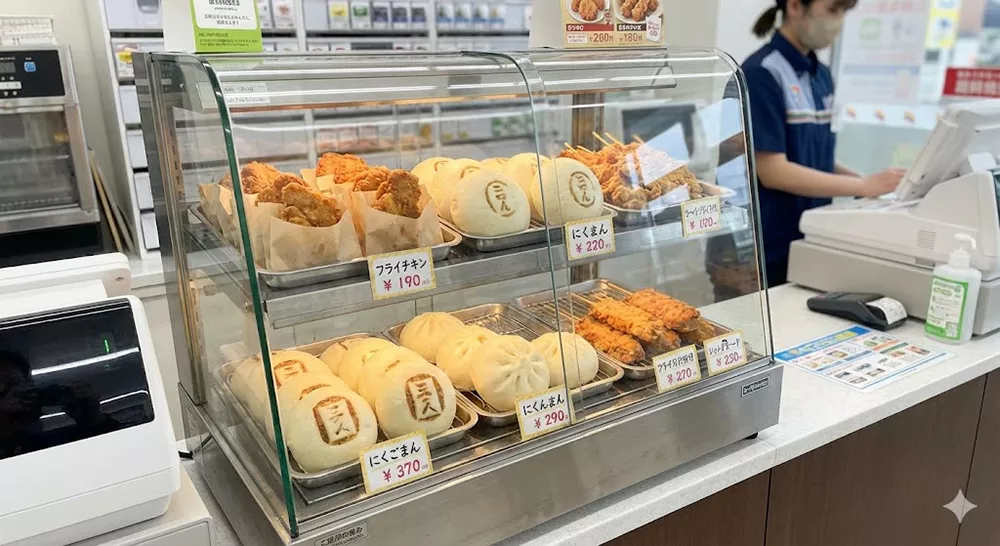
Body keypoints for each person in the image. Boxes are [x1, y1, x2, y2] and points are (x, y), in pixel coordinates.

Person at [744, 0, 906, 287]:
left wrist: (868, 182)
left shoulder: (821, 75)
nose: (840, 21)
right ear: (795, 7)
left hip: (810, 238)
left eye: (845, 12)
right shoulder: (762, 73)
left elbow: (811, 156)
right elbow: (773, 171)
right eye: (833, 10)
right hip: (766, 249)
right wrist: (862, 185)